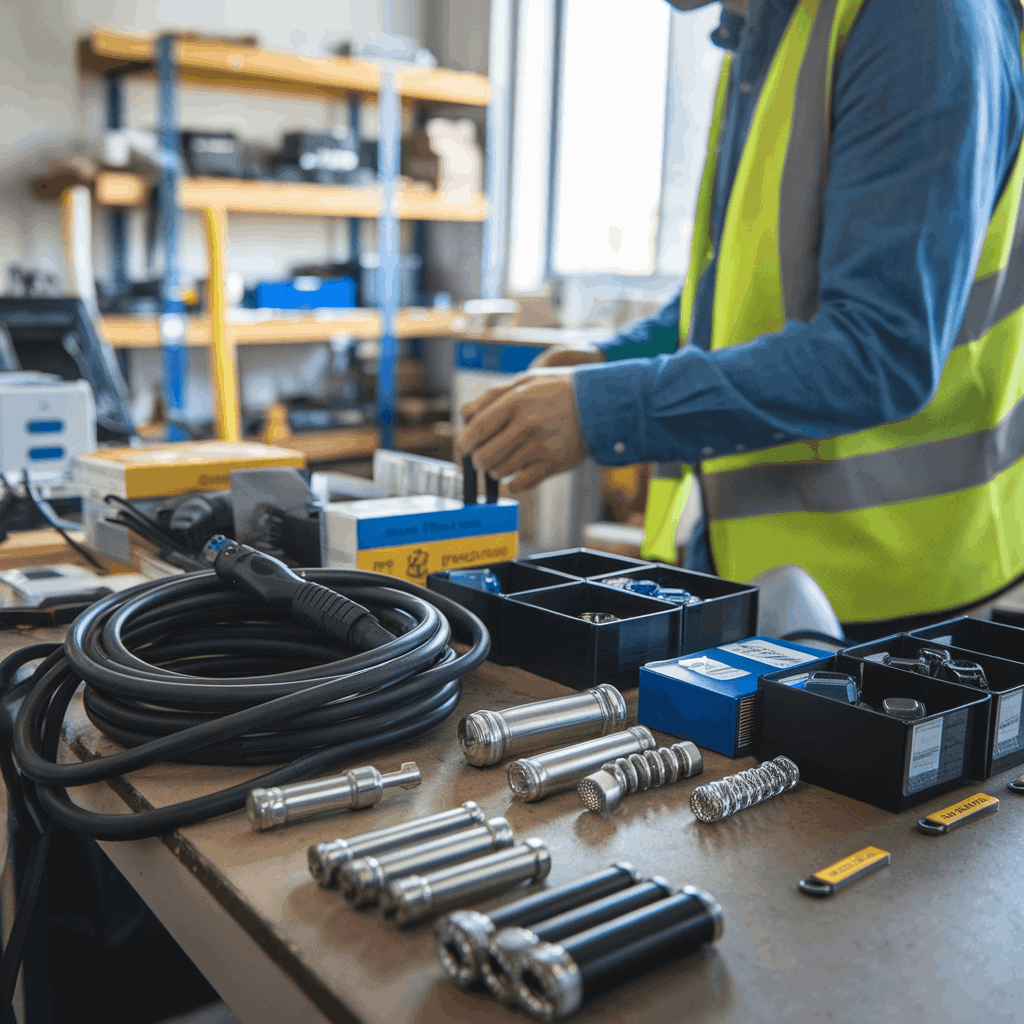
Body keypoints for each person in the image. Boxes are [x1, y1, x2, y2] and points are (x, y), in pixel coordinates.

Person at [457, 0, 1024, 638]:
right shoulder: (767, 33)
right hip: (756, 573)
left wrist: (606, 409)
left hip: (897, 597)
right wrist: (606, 361)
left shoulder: (916, 19)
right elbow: (732, 291)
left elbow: (881, 350)